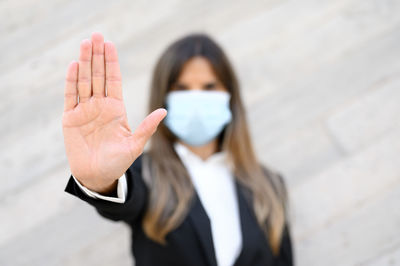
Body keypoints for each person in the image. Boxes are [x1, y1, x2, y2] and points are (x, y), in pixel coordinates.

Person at [63, 32, 294, 266]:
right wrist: (101, 181)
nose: (196, 98)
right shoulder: (145, 174)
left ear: (229, 94)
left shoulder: (270, 186)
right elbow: (122, 199)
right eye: (182, 88)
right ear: (163, 97)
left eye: (209, 86)